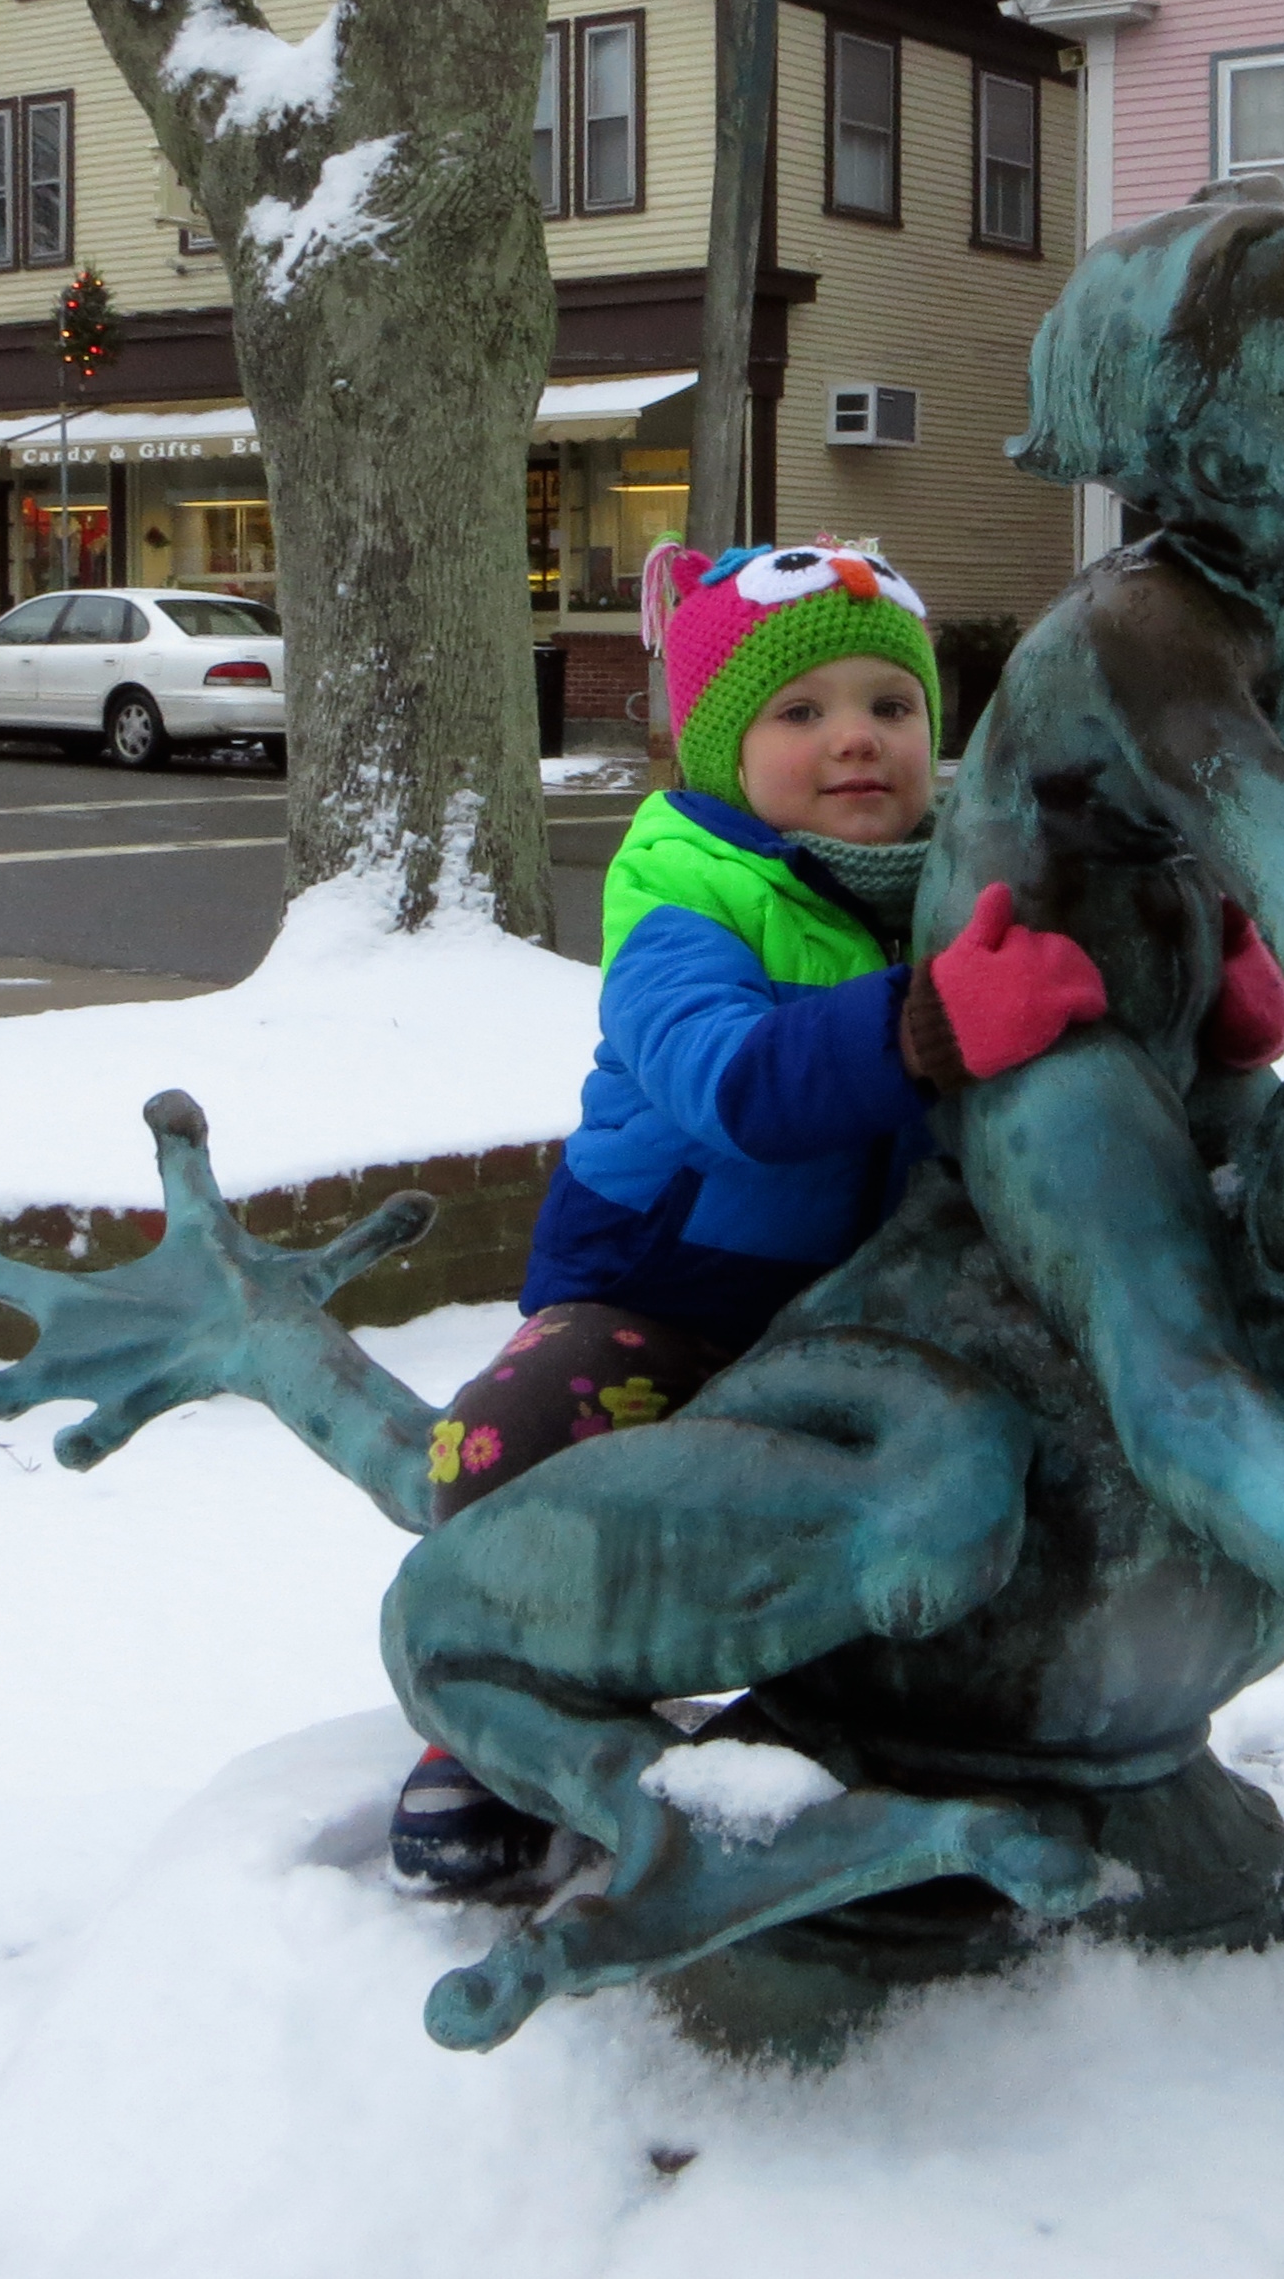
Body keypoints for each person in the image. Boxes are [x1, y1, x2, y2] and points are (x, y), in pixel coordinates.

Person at [389, 538, 1119, 1888]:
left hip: (873, 1303)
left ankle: (885, 1706)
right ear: (723, 749)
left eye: (890, 706)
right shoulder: (683, 893)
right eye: (799, 712)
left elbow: (1101, 979)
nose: (856, 738)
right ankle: (487, 1695)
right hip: (667, 1290)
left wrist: (1210, 987)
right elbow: (731, 1086)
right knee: (510, 1442)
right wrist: (925, 1022)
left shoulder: (965, 881)